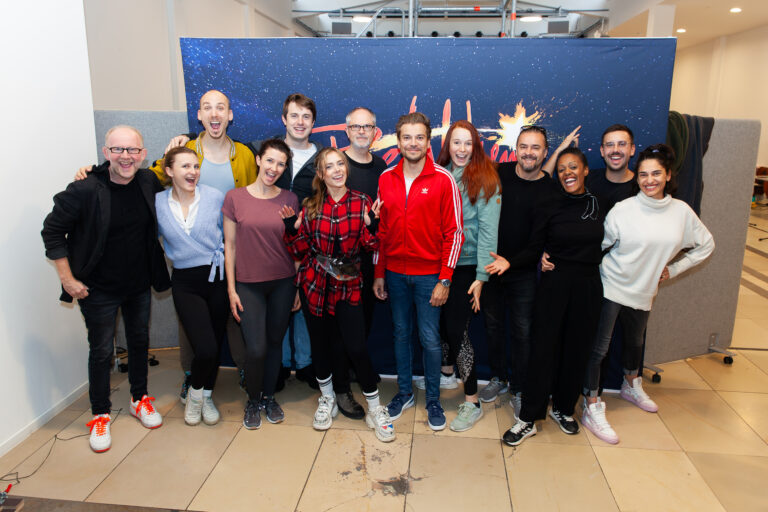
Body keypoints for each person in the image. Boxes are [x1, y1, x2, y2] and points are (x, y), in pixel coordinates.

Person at [75, 90, 257, 404]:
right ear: (199, 115)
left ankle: (242, 370)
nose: (214, 114)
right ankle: (192, 377)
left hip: (233, 249)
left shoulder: (243, 154)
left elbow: (252, 197)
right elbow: (138, 175)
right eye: (207, 108)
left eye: (221, 108)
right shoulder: (183, 148)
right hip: (189, 253)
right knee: (192, 322)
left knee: (235, 314)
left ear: (230, 115)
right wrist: (95, 173)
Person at [42, 125, 170, 453]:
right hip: (97, 290)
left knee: (140, 342)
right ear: (106, 152)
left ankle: (140, 399)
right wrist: (67, 279)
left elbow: (172, 172)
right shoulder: (85, 189)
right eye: (118, 150)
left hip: (138, 283)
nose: (126, 157)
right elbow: (52, 231)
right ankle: (100, 414)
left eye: (132, 150)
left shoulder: (147, 181)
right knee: (101, 351)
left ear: (142, 154)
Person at [578, 144, 714, 444]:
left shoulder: (681, 212)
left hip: (645, 289)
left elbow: (706, 245)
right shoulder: (624, 210)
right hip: (612, 285)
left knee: (635, 342)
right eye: (643, 175)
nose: (649, 180)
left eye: (656, 174)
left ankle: (631, 384)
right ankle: (590, 404)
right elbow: (598, 246)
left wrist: (673, 270)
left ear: (668, 176)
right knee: (599, 350)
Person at [489, 147, 604, 446]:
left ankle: (565, 409)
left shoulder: (599, 203)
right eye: (562, 168)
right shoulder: (548, 202)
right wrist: (518, 260)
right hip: (555, 283)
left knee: (577, 349)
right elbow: (534, 243)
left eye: (574, 167)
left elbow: (617, 240)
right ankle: (528, 417)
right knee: (542, 350)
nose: (567, 173)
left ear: (586, 170)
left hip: (589, 284)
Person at [280, 147, 395, 442]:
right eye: (329, 166)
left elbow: (371, 246)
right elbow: (299, 249)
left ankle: (375, 407)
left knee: (356, 347)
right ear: (321, 174)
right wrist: (291, 230)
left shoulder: (362, 203)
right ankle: (327, 398)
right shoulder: (310, 206)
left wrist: (375, 224)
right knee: (320, 346)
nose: (336, 170)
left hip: (348, 283)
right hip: (315, 283)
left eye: (340, 164)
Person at [374, 112, 464, 431]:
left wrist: (445, 278)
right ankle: (403, 393)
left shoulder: (443, 179)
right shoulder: (386, 178)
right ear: (398, 141)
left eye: (419, 137)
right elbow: (382, 232)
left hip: (430, 278)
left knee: (429, 338)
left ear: (428, 141)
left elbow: (455, 233)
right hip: (395, 274)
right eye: (407, 137)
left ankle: (434, 400)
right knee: (400, 334)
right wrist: (379, 273)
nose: (413, 143)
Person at [478, 125, 557, 416]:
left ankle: (520, 388)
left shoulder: (550, 189)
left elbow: (542, 238)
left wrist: (514, 261)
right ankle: (498, 377)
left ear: (545, 152)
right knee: (493, 326)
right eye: (524, 146)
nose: (529, 152)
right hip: (491, 267)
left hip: (522, 271)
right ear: (516, 149)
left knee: (523, 332)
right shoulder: (499, 173)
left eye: (536, 148)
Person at [248, 94, 323, 393]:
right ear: (284, 119)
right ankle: (279, 364)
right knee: (276, 307)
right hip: (269, 243)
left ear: (313, 123)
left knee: (304, 303)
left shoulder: (322, 157)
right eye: (294, 116)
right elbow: (230, 145)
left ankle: (304, 363)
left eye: (306, 117)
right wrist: (187, 137)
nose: (300, 122)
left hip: (308, 244)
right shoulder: (266, 150)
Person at [222, 139, 299, 430]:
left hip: (282, 283)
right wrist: (231, 290)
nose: (274, 168)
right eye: (270, 161)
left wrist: (297, 284)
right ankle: (253, 399)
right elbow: (229, 246)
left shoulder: (290, 199)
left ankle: (268, 397)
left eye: (281, 164)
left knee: (275, 343)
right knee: (255, 348)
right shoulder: (235, 198)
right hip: (248, 284)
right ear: (258, 160)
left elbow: (295, 246)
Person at [433, 120, 501, 432]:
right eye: (455, 143)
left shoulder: (486, 178)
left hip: (467, 266)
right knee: (442, 323)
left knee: (458, 331)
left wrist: (480, 278)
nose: (461, 150)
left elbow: (488, 231)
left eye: (467, 144)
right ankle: (447, 373)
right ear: (447, 145)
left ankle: (472, 400)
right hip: (440, 262)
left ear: (475, 146)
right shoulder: (439, 173)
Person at [155, 146, 228, 427]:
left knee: (215, 343)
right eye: (185, 166)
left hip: (217, 277)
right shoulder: (158, 202)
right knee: (206, 348)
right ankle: (196, 396)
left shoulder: (214, 196)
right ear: (169, 170)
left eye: (195, 166)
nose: (192, 172)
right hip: (185, 281)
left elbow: (230, 238)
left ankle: (204, 395)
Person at [324, 107, 388, 420]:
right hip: (333, 267)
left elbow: (381, 225)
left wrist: (378, 270)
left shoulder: (382, 166)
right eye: (356, 126)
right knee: (338, 333)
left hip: (366, 260)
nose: (362, 131)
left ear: (375, 131)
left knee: (359, 328)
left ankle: (351, 376)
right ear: (347, 131)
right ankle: (341, 388)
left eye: (368, 126)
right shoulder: (334, 162)